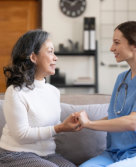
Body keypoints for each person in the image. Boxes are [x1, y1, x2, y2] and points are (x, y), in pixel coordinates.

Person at [78, 21, 136, 167]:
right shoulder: (122, 78)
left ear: (135, 45)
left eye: (117, 42)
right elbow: (116, 116)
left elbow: (133, 122)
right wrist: (83, 123)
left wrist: (90, 124)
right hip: (114, 153)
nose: (111, 48)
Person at [0, 29, 81, 167]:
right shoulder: (15, 92)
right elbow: (21, 135)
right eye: (50, 52)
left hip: (48, 155)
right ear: (33, 57)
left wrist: (70, 124)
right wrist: (60, 128)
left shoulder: (54, 92)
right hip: (15, 153)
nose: (56, 57)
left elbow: (51, 127)